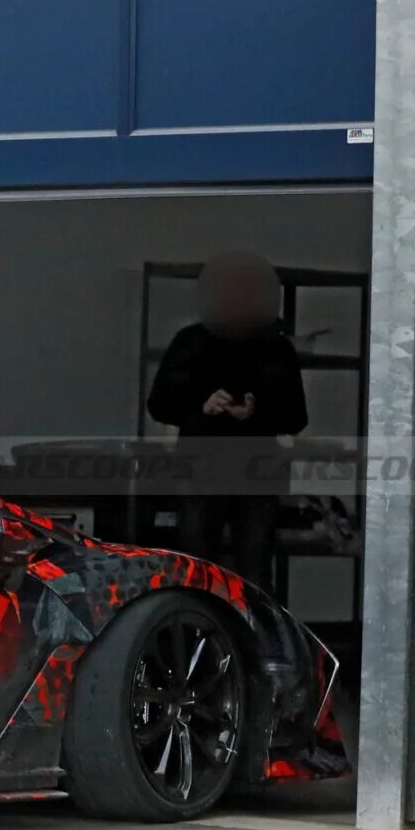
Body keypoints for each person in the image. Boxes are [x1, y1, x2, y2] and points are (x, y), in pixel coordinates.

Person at [146, 251, 307, 588]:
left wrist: (256, 411)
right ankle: (200, 623)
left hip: (255, 475)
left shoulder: (275, 348)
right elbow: (160, 404)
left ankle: (244, 625)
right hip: (201, 472)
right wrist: (201, 406)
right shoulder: (191, 343)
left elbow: (296, 416)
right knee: (197, 571)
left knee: (253, 572)